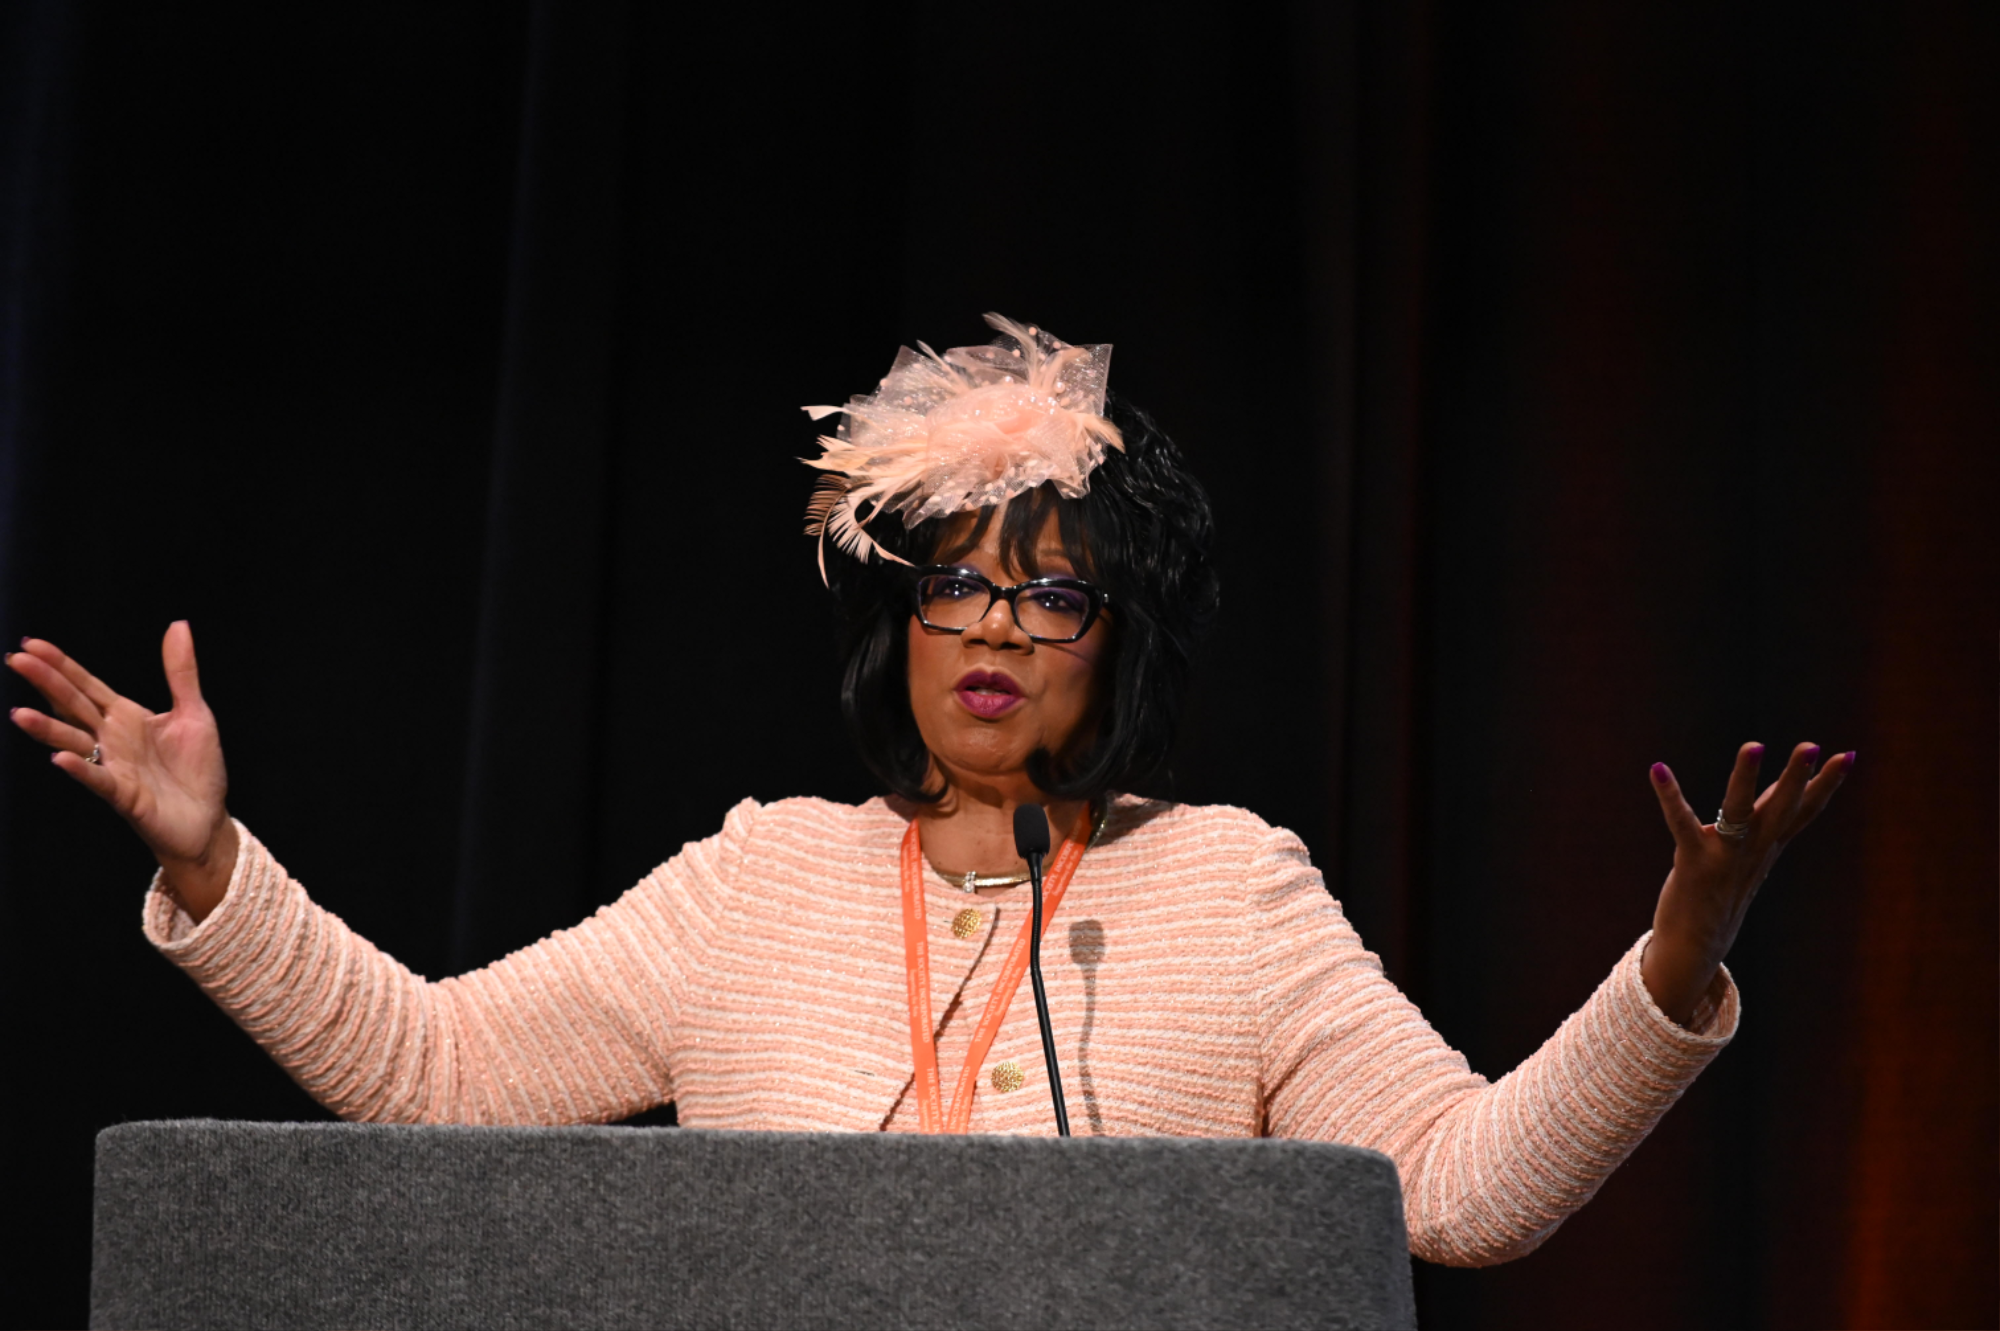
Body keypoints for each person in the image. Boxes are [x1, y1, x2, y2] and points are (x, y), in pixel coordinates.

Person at [6, 315, 1850, 1266]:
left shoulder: (1232, 888)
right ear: (898, 620)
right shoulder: (758, 879)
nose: (994, 626)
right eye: (956, 581)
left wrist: (1674, 965)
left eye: (1054, 594)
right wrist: (217, 863)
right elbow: (440, 1072)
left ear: (1120, 645)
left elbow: (1461, 1192)